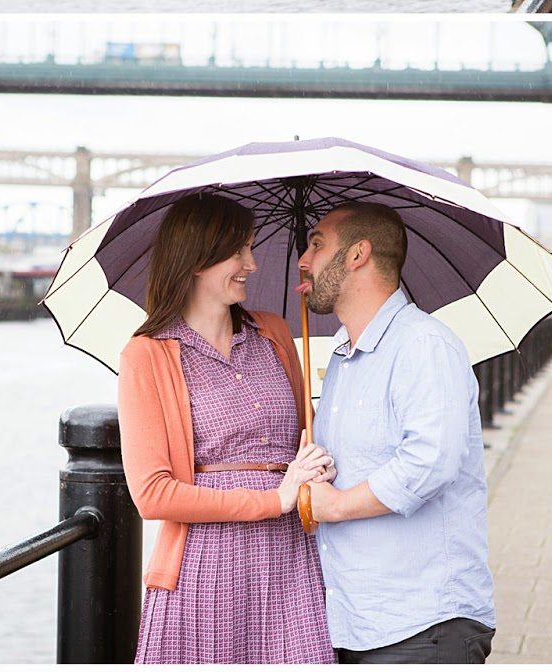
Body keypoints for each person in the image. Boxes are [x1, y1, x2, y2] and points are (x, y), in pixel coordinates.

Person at [118, 194, 336, 665]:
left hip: (290, 560)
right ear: (197, 258)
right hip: (204, 567)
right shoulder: (148, 354)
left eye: (251, 248)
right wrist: (272, 500)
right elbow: (153, 494)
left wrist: (315, 463)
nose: (251, 264)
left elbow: (302, 438)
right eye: (238, 251)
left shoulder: (275, 332)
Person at [297, 203, 496, 664]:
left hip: (422, 625)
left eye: (317, 244)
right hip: (356, 620)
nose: (304, 260)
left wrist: (337, 506)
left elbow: (430, 462)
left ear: (357, 254)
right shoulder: (344, 358)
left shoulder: (423, 346)